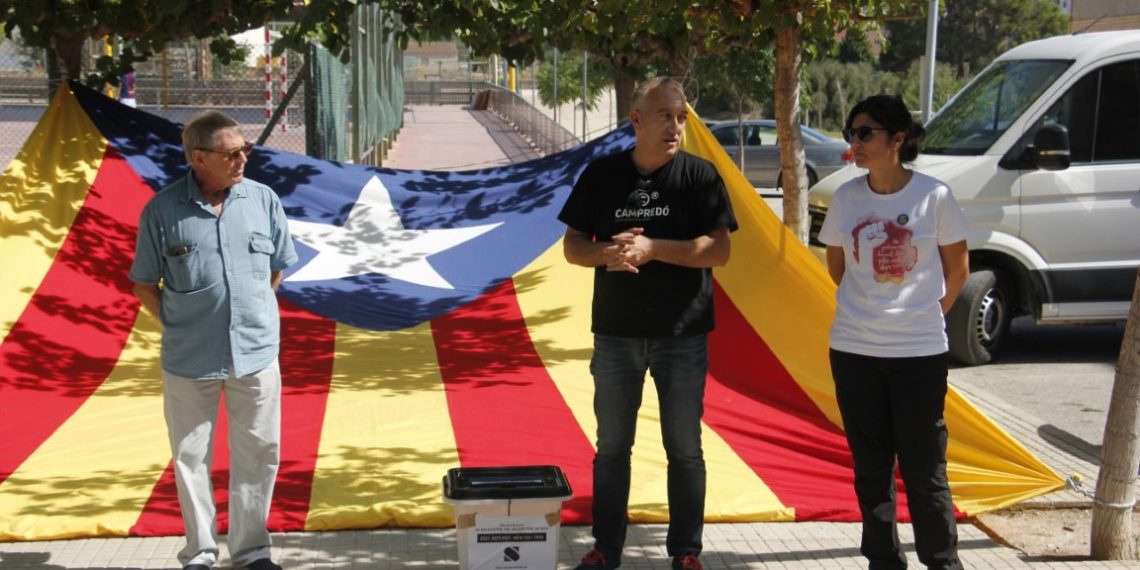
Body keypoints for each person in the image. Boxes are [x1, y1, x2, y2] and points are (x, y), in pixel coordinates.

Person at [558, 77, 737, 570]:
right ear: (635, 119)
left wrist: (654, 248)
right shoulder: (602, 175)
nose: (675, 126)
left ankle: (685, 552)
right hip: (615, 333)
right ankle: (605, 550)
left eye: (681, 116)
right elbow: (573, 247)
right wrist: (606, 254)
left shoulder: (701, 176)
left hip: (683, 336)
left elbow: (720, 251)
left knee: (685, 449)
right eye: (664, 115)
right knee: (612, 448)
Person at [130, 111, 297, 570]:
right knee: (189, 458)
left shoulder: (262, 199)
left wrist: (249, 316)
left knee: (259, 453)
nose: (243, 158)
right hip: (190, 358)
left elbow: (277, 268)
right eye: (231, 153)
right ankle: (200, 553)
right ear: (199, 158)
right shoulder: (162, 211)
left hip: (256, 354)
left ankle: (253, 552)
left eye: (245, 150)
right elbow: (145, 283)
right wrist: (185, 324)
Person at [818, 94, 970, 570]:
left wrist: (920, 314)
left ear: (898, 139)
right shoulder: (846, 197)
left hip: (919, 353)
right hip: (854, 349)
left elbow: (958, 271)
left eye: (866, 133)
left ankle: (942, 562)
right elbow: (838, 267)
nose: (855, 143)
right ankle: (883, 561)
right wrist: (875, 309)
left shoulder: (935, 196)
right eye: (851, 134)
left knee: (925, 469)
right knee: (871, 468)